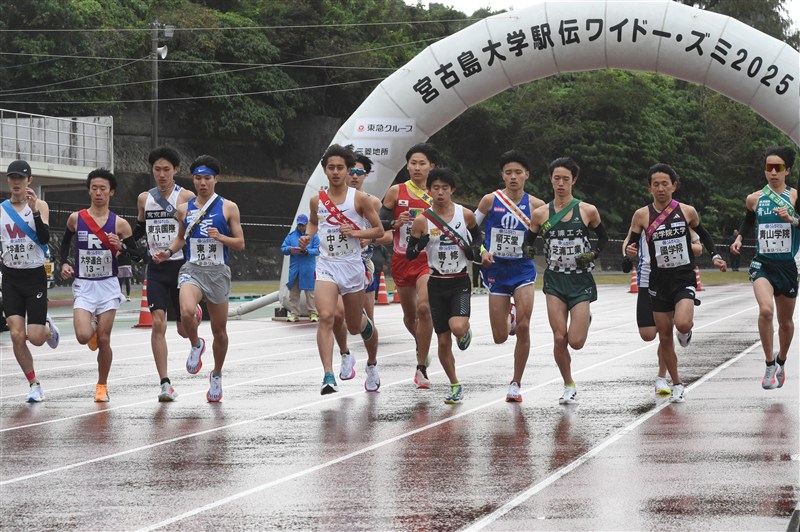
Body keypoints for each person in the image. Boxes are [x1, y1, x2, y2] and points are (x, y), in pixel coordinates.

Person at [625, 163, 727, 402]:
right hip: (657, 281)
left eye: (665, 184)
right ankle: (677, 383)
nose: (661, 188)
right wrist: (627, 256)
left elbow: (704, 235)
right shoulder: (642, 215)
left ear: (674, 186)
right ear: (649, 187)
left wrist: (715, 255)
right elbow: (631, 243)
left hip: (683, 277)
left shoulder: (686, 211)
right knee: (664, 336)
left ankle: (686, 330)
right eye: (656, 184)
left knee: (681, 323)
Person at [152, 155, 244, 403]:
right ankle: (195, 343)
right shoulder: (184, 209)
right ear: (193, 179)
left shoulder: (228, 207)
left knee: (220, 331)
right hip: (192, 269)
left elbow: (240, 243)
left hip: (217, 273)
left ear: (215, 179)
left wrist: (221, 238)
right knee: (185, 311)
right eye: (198, 178)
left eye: (207, 178)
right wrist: (169, 252)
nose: (202, 182)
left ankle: (216, 374)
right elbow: (181, 239)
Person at [523, 157, 608, 405]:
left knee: (576, 342)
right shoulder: (540, 214)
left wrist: (592, 254)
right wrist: (528, 250)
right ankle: (568, 384)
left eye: (566, 179)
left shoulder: (587, 211)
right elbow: (528, 241)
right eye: (557, 178)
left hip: (580, 280)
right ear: (551, 179)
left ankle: (585, 318)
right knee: (559, 338)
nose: (561, 184)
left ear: (574, 181)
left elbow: (602, 239)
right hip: (554, 281)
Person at [299, 144, 383, 395]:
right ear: (325, 170)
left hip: (352, 266)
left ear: (348, 170)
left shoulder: (359, 199)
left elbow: (379, 230)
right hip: (326, 266)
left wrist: (356, 232)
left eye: (340, 168)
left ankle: (371, 363)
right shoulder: (317, 200)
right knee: (326, 316)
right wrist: (307, 236)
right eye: (331, 167)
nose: (335, 172)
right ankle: (328, 374)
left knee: (355, 326)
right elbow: (314, 222)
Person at [60, 168, 140, 402]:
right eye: (94, 188)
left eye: (102, 189)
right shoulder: (76, 219)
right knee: (83, 336)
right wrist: (64, 262)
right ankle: (91, 326)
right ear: (89, 191)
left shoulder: (121, 224)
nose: (98, 193)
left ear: (111, 192)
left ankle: (102, 385)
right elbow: (65, 243)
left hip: (107, 286)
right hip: (84, 285)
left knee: (104, 340)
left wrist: (122, 247)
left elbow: (136, 254)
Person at [406, 167, 482, 404]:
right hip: (436, 284)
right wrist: (421, 245)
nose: (440, 193)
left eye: (445, 188)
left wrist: (473, 249)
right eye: (435, 188)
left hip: (459, 281)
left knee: (457, 327)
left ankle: (465, 330)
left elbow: (478, 236)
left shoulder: (465, 214)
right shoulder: (422, 220)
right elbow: (410, 253)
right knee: (442, 340)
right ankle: (454, 384)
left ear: (452, 190)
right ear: (429, 191)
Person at [475, 150, 545, 402]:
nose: (513, 177)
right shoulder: (489, 200)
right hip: (496, 271)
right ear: (502, 175)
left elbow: (551, 232)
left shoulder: (538, 206)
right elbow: (471, 230)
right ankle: (510, 315)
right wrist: (482, 251)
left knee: (525, 327)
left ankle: (516, 383)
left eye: (518, 172)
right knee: (500, 337)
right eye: (508, 173)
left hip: (523, 270)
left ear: (527, 175)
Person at [133, 146, 199, 402]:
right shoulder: (144, 199)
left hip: (181, 267)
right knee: (158, 323)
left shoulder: (186, 196)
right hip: (157, 268)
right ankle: (165, 383)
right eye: (157, 170)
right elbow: (139, 229)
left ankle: (195, 341)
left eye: (166, 170)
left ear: (176, 170)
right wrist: (124, 244)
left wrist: (171, 250)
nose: (161, 175)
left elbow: (190, 233)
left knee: (183, 328)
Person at [730, 146, 798, 390]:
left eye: (777, 168)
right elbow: (748, 221)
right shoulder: (754, 198)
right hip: (763, 264)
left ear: (787, 170)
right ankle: (769, 364)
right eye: (768, 167)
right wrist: (739, 238)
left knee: (786, 321)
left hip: (787, 266)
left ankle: (781, 360)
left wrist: (792, 220)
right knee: (766, 310)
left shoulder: (794, 197)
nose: (772, 172)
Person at [380, 143, 439, 388]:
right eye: (413, 163)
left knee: (424, 309)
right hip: (402, 259)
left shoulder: (438, 193)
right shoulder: (396, 191)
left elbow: (448, 220)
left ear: (431, 167)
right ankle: (422, 344)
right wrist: (395, 223)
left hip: (427, 260)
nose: (417, 167)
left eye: (422, 163)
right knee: (409, 317)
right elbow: (380, 222)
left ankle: (421, 368)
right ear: (407, 165)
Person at [1, 159, 60, 402]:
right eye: (12, 178)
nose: (16, 182)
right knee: (16, 334)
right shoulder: (2, 209)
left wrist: (35, 210)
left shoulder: (40, 205)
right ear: (8, 181)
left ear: (29, 181)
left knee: (35, 337)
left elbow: (45, 238)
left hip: (34, 277)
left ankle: (46, 327)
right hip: (11, 277)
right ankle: (34, 383)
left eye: (21, 178)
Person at [332, 153, 389, 392]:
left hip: (363, 268)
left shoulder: (372, 202)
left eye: (359, 173)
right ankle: (345, 354)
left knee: (365, 322)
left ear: (366, 175)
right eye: (351, 172)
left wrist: (368, 240)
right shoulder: (328, 201)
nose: (354, 177)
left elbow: (387, 234)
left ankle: (372, 364)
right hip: (334, 266)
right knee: (336, 314)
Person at [622, 227, 703, 396]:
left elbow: (698, 248)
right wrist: (627, 252)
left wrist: (679, 244)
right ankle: (682, 328)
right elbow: (628, 242)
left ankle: (662, 377)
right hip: (646, 280)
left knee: (665, 332)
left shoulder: (680, 217)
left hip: (672, 279)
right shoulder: (642, 216)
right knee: (648, 334)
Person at [281, 214, 319, 322]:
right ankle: (294, 314)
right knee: (294, 293)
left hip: (308, 269)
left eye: (303, 225)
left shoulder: (313, 236)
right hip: (295, 269)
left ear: (307, 224)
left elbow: (317, 250)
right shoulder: (291, 235)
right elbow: (283, 248)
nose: (301, 227)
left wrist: (307, 251)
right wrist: (290, 249)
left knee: (310, 293)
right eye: (299, 225)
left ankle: (313, 313)